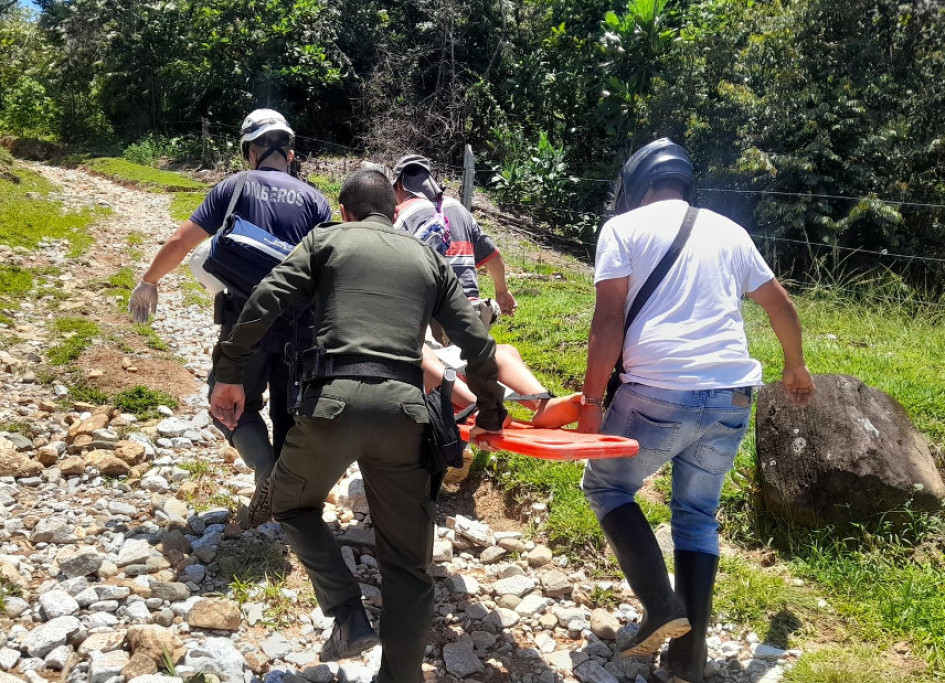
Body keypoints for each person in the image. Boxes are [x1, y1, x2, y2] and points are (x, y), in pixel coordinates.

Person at [208, 169, 507, 683]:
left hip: (332, 405)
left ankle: (347, 615)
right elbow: (477, 343)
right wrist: (492, 408)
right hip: (405, 414)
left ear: (343, 210)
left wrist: (230, 371)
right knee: (407, 565)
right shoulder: (427, 257)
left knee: (291, 502)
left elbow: (264, 300)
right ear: (394, 212)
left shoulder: (326, 239)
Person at [577, 139, 815, 681]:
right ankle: (689, 657)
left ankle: (662, 607)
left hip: (659, 391)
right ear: (687, 185)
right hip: (732, 397)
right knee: (696, 516)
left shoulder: (622, 229)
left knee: (607, 486)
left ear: (636, 186)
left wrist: (592, 401)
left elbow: (609, 321)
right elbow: (781, 303)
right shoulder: (730, 231)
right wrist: (795, 367)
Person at [128, 109, 331, 500]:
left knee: (227, 404)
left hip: (244, 325)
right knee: (292, 413)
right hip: (299, 328)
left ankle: (265, 470)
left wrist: (149, 281)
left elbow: (181, 243)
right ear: (289, 153)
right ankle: (292, 500)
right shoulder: (315, 200)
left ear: (250, 151)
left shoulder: (233, 187)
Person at [392, 154, 516, 328]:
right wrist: (502, 291)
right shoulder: (458, 208)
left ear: (398, 185)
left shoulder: (402, 216)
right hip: (471, 314)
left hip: (432, 317)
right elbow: (493, 256)